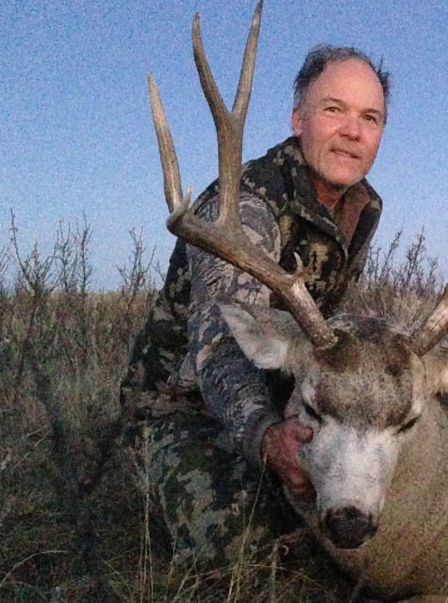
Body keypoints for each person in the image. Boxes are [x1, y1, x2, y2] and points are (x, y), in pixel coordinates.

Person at [120, 43, 389, 561]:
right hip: (183, 407)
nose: (353, 132)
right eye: (334, 110)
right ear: (298, 118)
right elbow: (219, 350)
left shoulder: (361, 205)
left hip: (284, 392)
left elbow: (323, 333)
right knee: (239, 534)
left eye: (370, 117)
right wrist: (270, 439)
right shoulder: (242, 207)